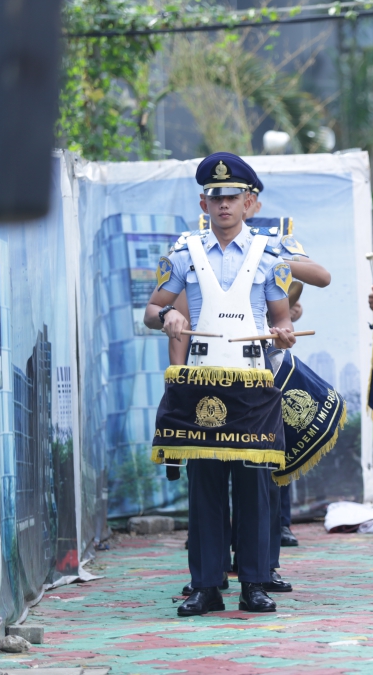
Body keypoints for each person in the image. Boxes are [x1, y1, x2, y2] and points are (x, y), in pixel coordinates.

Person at [146, 152, 297, 616]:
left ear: (248, 202)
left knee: (254, 487)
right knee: (205, 487)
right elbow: (151, 310)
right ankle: (206, 586)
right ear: (204, 203)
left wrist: (283, 331)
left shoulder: (269, 255)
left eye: (232, 197)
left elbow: (282, 318)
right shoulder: (183, 253)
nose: (224, 205)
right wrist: (168, 315)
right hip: (202, 381)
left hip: (252, 382)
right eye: (216, 198)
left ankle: (254, 583)